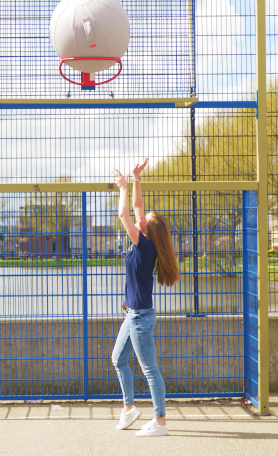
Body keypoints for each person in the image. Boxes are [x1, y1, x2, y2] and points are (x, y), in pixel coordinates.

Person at [111, 157, 181, 437]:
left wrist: (124, 188)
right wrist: (137, 177)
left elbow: (124, 214)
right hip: (135, 314)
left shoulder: (143, 242)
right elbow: (139, 209)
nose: (141, 217)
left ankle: (160, 422)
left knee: (150, 370)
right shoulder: (145, 240)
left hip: (139, 317)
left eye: (145, 220)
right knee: (118, 359)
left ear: (147, 230)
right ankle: (130, 408)